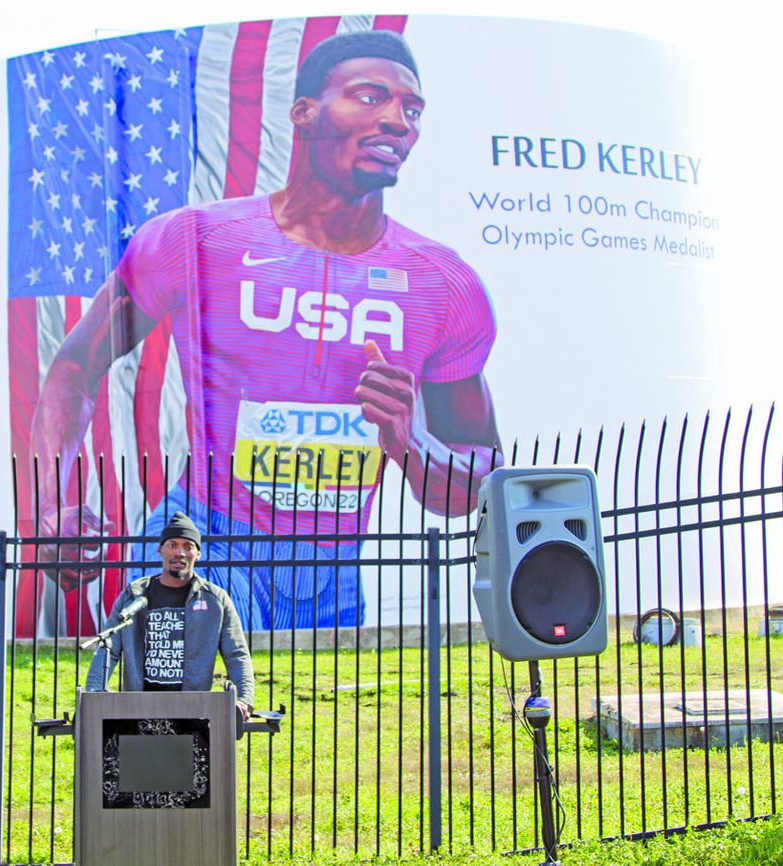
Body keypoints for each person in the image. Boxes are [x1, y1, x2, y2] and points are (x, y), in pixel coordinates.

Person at [32, 30, 503, 629]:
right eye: (369, 96)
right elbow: (74, 365)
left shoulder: (444, 284)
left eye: (411, 110)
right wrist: (50, 508)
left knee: (325, 724)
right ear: (303, 112)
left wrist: (413, 444)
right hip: (204, 538)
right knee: (190, 708)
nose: (396, 121)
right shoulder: (194, 239)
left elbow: (478, 480)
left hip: (332, 574)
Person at [85, 512, 254, 718]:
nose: (180, 552)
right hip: (140, 708)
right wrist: (94, 692)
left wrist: (244, 700)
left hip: (193, 710)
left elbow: (236, 654)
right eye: (172, 545)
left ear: (197, 553)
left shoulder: (215, 600)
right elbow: (107, 649)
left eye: (188, 546)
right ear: (160, 550)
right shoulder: (134, 596)